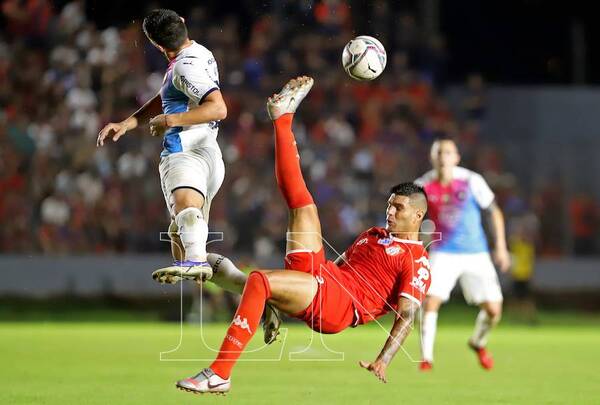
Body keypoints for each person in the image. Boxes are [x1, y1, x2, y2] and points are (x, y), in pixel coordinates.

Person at [173, 76, 432, 395]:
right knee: (302, 204)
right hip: (327, 277)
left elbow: (407, 315)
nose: (390, 213)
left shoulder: (417, 261)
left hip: (338, 306)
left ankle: (219, 373)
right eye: (389, 206)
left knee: (260, 281)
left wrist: (383, 360)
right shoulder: (374, 234)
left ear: (418, 215)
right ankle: (283, 119)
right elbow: (342, 268)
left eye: (399, 209)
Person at [97, 9, 237, 283]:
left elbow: (218, 108)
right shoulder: (200, 54)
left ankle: (194, 261)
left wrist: (171, 120)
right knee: (181, 235)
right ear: (183, 24)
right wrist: (128, 123)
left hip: (185, 153)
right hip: (208, 155)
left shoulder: (184, 67)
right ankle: (252, 292)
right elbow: (169, 94)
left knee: (188, 226)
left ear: (156, 45)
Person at [415, 137, 511, 371]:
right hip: (443, 252)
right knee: (430, 302)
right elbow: (410, 218)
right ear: (432, 157)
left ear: (456, 157)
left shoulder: (471, 180)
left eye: (447, 152)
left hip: (476, 253)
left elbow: (494, 212)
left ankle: (478, 342)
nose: (442, 157)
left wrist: (500, 246)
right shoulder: (422, 185)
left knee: (494, 311)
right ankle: (426, 358)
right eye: (438, 153)